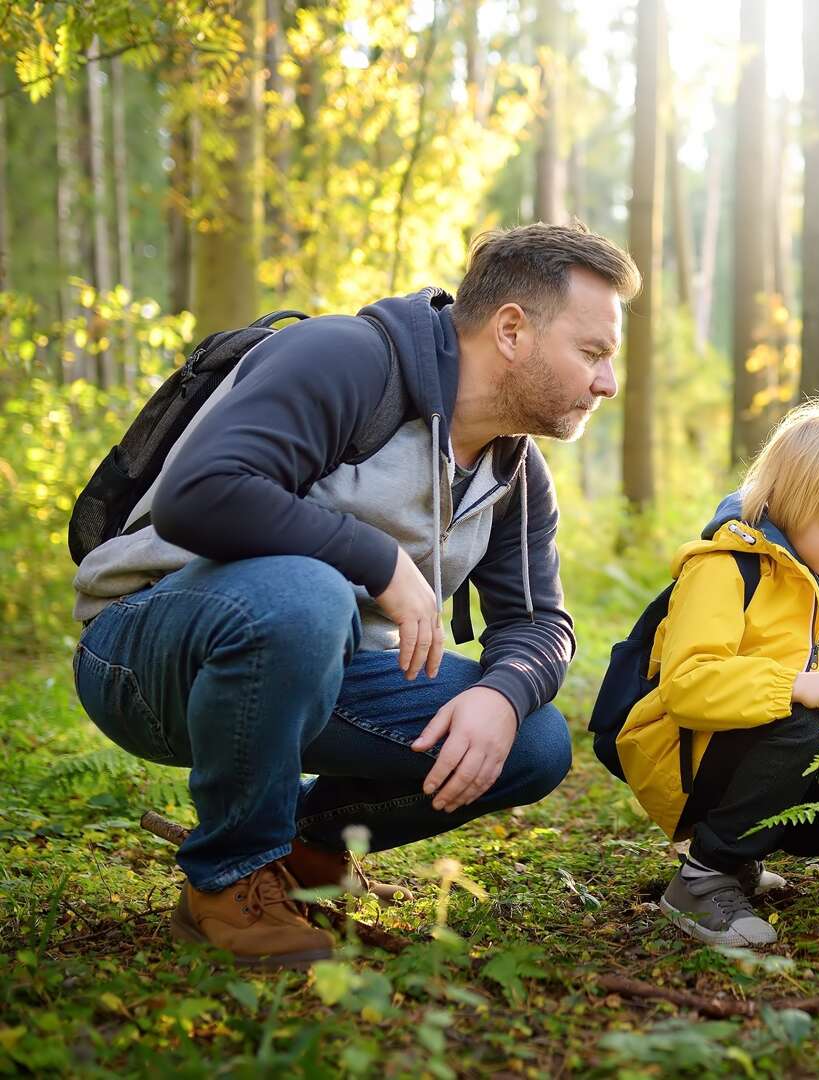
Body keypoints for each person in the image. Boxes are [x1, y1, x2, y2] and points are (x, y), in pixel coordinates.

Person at [70, 223, 641, 968]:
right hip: (148, 650)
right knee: (309, 591)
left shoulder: (516, 473)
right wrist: (376, 561)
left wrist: (502, 694)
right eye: (592, 352)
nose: (607, 381)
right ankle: (230, 878)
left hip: (313, 671)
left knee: (532, 743)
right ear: (511, 331)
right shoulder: (350, 359)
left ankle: (302, 852)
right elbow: (199, 494)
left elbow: (538, 623)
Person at [614, 402, 819, 946]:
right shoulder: (723, 569)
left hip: (752, 750)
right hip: (681, 757)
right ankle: (700, 880)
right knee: (804, 723)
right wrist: (794, 685)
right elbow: (688, 687)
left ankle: (735, 860)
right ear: (786, 503)